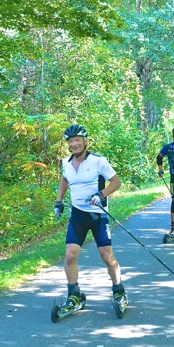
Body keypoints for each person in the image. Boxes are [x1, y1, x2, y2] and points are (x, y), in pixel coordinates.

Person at [53, 124, 127, 313]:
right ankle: (74, 295)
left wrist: (101, 195)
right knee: (70, 254)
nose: (74, 144)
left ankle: (119, 291)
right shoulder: (66, 163)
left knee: (106, 256)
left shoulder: (98, 161)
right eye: (71, 141)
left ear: (85, 141)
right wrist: (59, 201)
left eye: (77, 140)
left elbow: (116, 182)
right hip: (77, 214)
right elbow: (64, 180)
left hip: (98, 215)